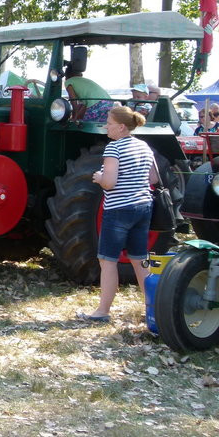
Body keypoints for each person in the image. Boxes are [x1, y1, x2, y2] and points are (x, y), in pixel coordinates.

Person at [79, 106, 156, 322]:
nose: (106, 127)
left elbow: (110, 183)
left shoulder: (114, 148)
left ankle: (103, 311)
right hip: (143, 207)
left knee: (108, 261)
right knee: (140, 260)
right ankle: (153, 308)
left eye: (109, 123)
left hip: (119, 210)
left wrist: (99, 177)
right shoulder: (144, 146)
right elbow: (153, 179)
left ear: (121, 127)